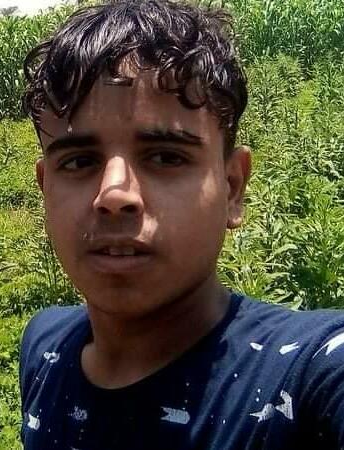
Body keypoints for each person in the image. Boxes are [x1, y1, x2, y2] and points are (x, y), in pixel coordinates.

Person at [18, 1, 344, 449]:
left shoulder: (308, 375)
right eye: (78, 162)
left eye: (166, 157)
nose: (114, 195)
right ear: (46, 189)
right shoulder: (44, 348)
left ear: (232, 188)